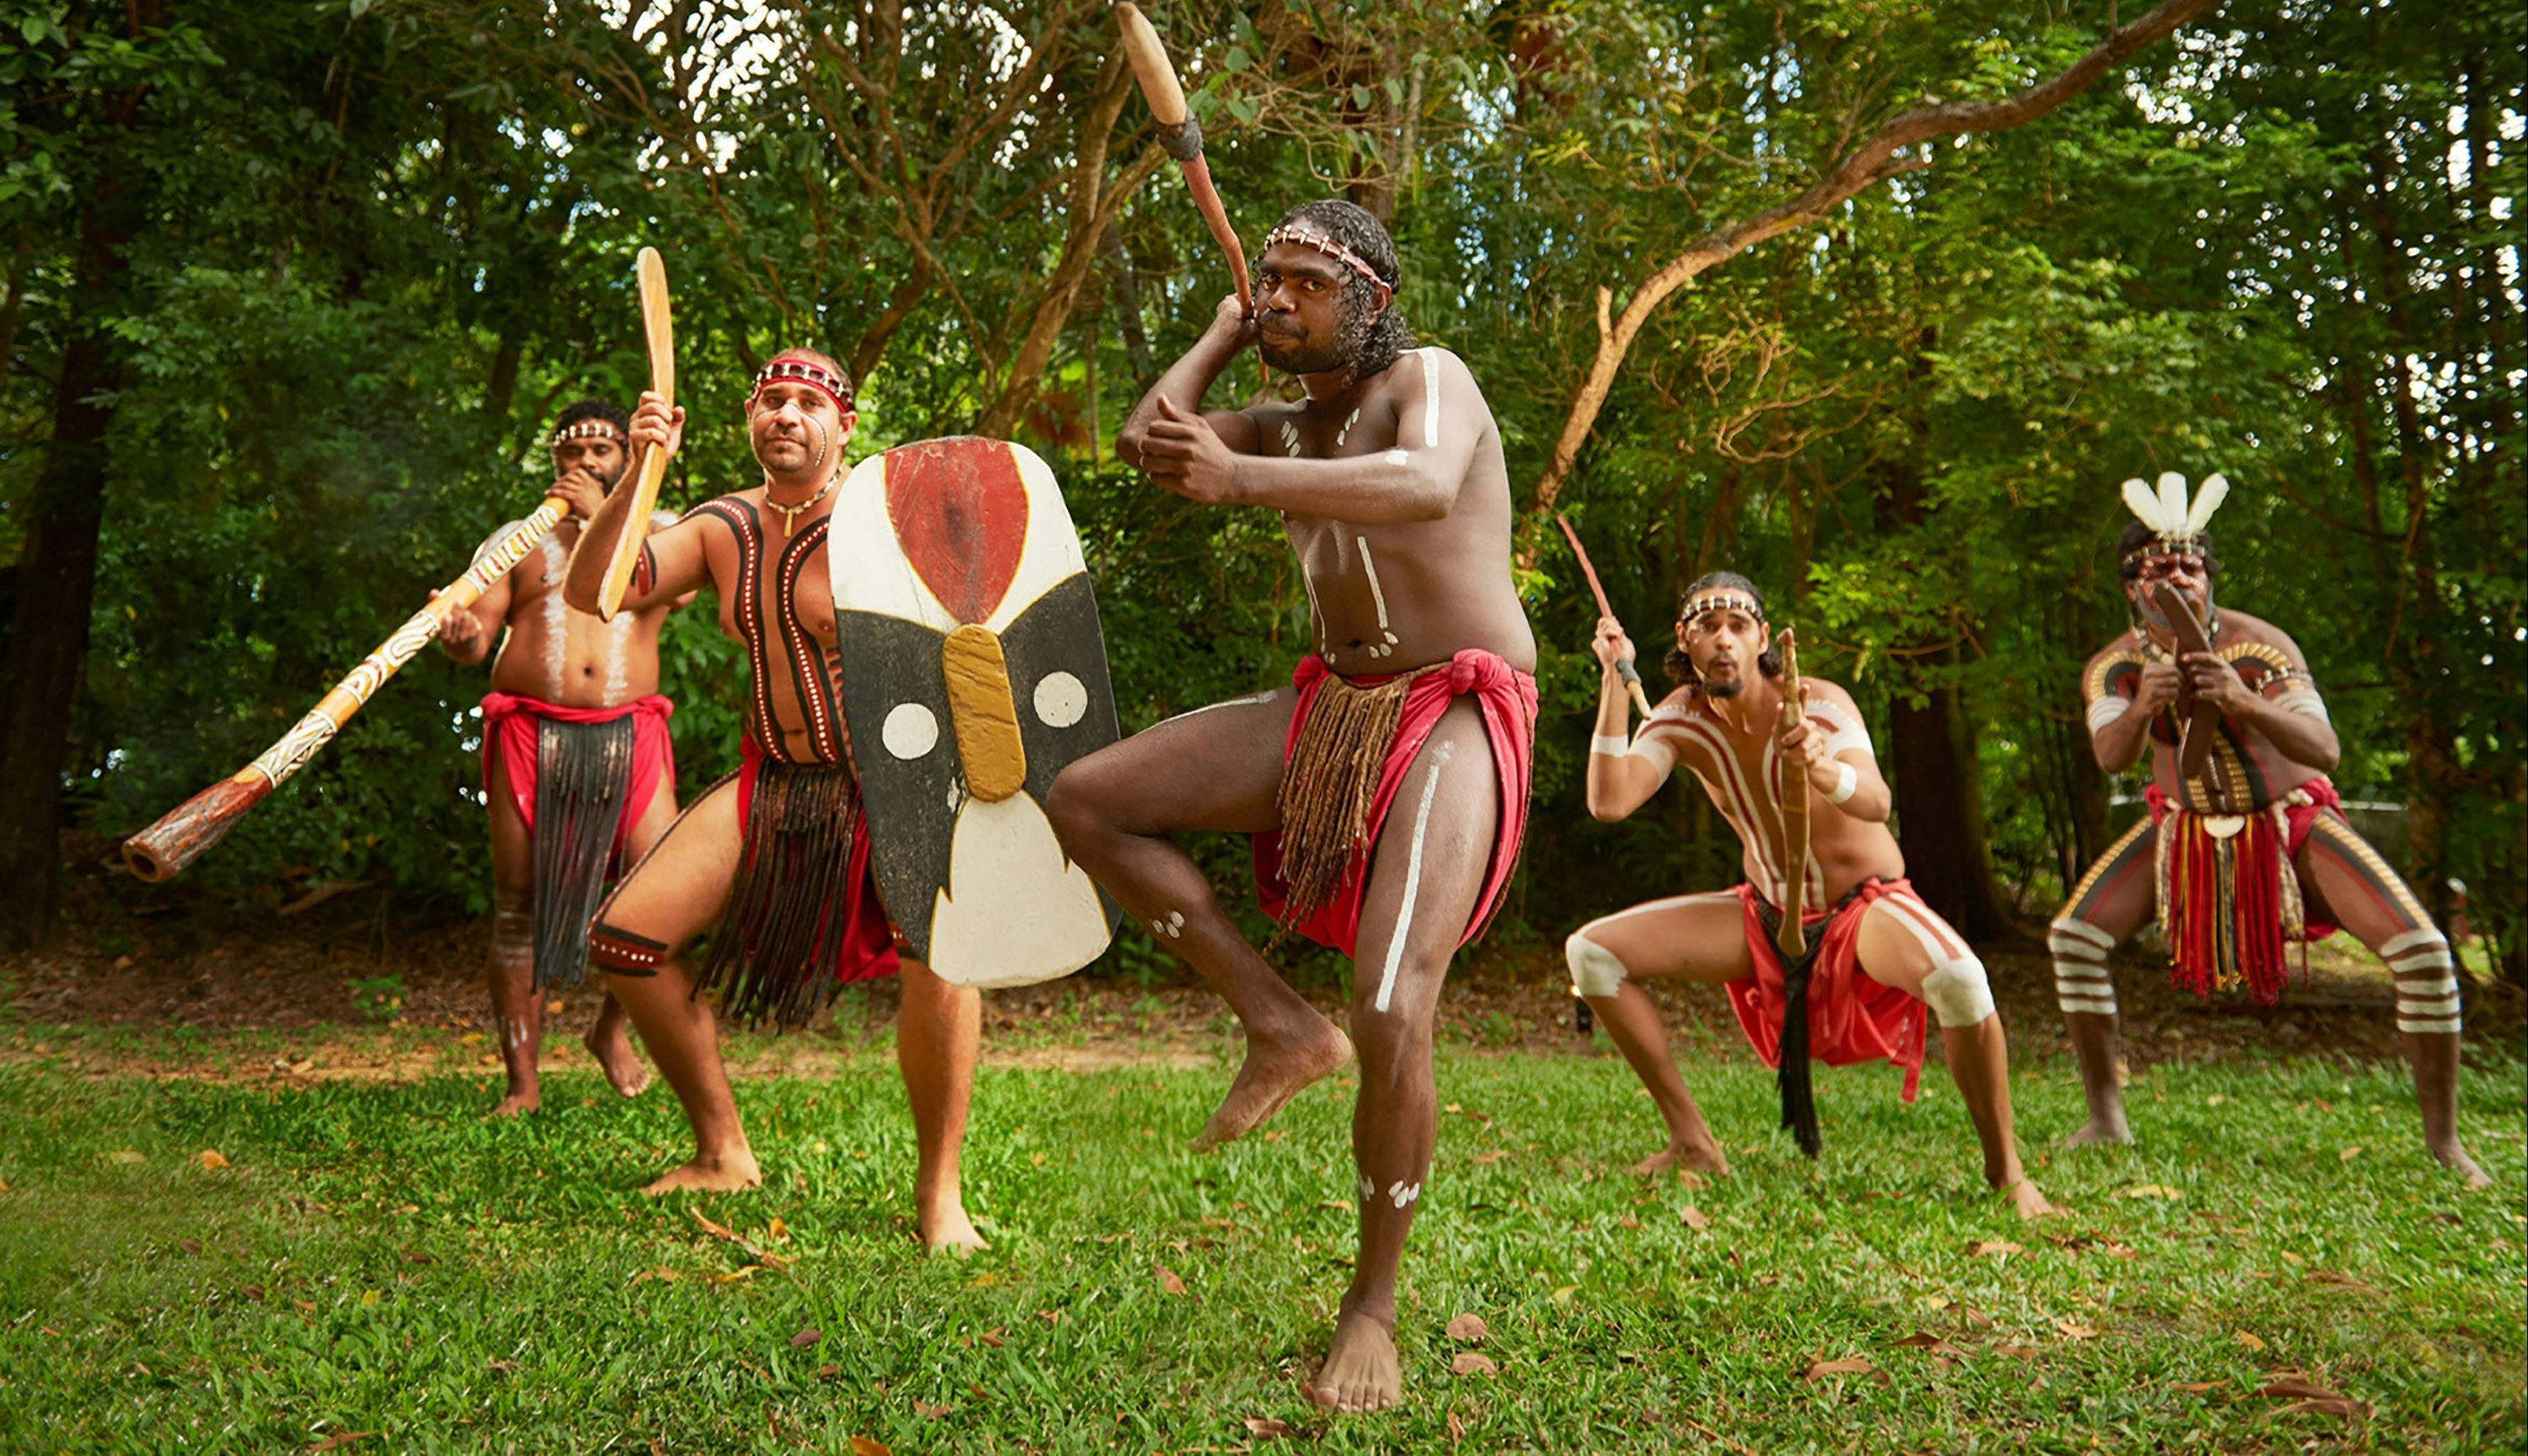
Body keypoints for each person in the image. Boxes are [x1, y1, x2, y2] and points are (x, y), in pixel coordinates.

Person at [1048, 200, 1538, 1415]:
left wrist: (1241, 473)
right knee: (1089, 800)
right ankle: (1278, 1024)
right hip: (1335, 703)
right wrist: (1219, 336)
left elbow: (1424, 486)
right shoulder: (1280, 418)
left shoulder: (1431, 381)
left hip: (1457, 706)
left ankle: (1371, 1303)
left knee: (1388, 1002)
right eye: (1265, 279)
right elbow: (1141, 440)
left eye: (1304, 282)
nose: (1278, 297)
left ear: (1371, 295)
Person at [563, 349, 988, 1247]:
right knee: (625, 941)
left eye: (807, 402)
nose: (785, 415)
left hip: (894, 780)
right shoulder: (721, 525)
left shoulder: (887, 515)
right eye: (770, 401)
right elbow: (591, 591)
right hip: (776, 779)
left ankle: (939, 1194)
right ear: (750, 419)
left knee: (942, 956)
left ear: (845, 424)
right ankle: (722, 1150)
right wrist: (643, 471)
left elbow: (975, 629)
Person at [1566, 572, 2055, 1220]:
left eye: (1737, 627)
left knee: (1961, 979)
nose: (1722, 641)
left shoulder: (1817, 702)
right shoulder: (1681, 719)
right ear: (1684, 643)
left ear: (1762, 638)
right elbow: (1609, 800)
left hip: (1862, 910)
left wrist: (1824, 767)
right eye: (1706, 628)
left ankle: (2007, 1173)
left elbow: (1878, 800)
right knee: (1592, 954)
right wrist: (1612, 678)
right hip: (1765, 913)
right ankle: (1691, 1139)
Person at [2049, 471, 2486, 1186]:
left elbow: (2323, 748)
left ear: (2209, 576)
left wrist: (2240, 701)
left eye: (2192, 564)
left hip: (2291, 826)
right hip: (2182, 830)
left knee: (2424, 951)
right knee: (2073, 937)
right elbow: (2110, 756)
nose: (2180, 576)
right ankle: (2104, 1119)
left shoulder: (2262, 647)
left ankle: (2444, 1143)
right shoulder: (2115, 668)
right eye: (2160, 566)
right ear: (2132, 584)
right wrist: (2139, 710)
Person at [436, 398, 687, 1116]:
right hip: (529, 736)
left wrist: (612, 509)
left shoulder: (660, 535)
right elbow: (474, 641)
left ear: (628, 460)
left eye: (600, 453)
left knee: (662, 898)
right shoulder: (515, 541)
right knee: (518, 906)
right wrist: (456, 633)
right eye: (569, 456)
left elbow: (703, 590)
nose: (581, 466)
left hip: (630, 735)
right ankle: (523, 1083)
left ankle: (612, 1029)